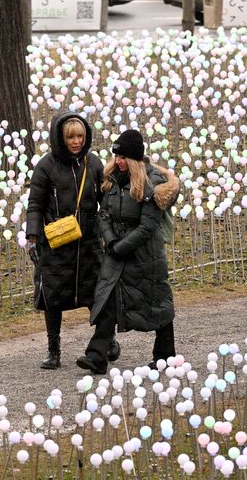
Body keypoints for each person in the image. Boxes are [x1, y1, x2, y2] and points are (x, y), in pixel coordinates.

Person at [78, 129, 180, 374]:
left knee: (156, 304)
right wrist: (112, 242)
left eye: (123, 157)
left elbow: (148, 226)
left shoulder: (152, 183)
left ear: (133, 159)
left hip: (145, 257)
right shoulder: (112, 179)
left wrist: (121, 247)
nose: (118, 161)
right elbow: (103, 214)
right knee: (107, 300)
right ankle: (97, 355)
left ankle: (165, 356)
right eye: (116, 156)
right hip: (117, 252)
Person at [24, 110, 118, 369]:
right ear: (60, 138)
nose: (76, 141)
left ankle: (105, 339)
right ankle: (53, 350)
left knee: (95, 294)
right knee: (52, 297)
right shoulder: (46, 166)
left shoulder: (94, 163)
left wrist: (110, 233)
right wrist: (32, 236)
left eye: (80, 136)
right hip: (55, 243)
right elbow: (35, 204)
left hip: (88, 242)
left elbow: (106, 202)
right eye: (70, 137)